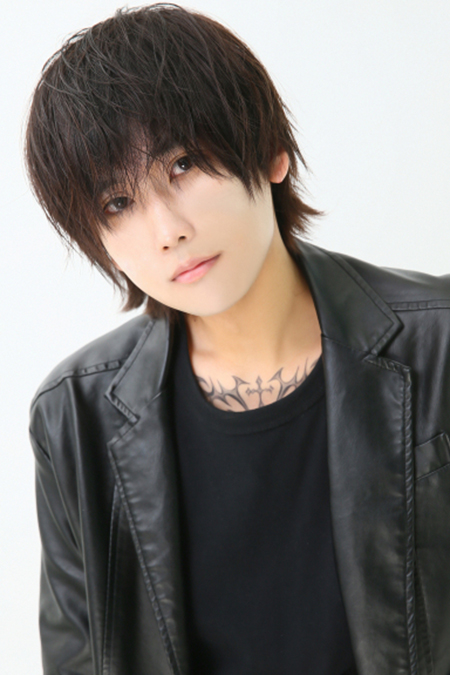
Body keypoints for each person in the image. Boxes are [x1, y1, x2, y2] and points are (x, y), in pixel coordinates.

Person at [25, 4, 450, 675]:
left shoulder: (439, 345)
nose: (167, 229)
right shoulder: (73, 417)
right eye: (118, 203)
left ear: (271, 150)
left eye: (183, 164)